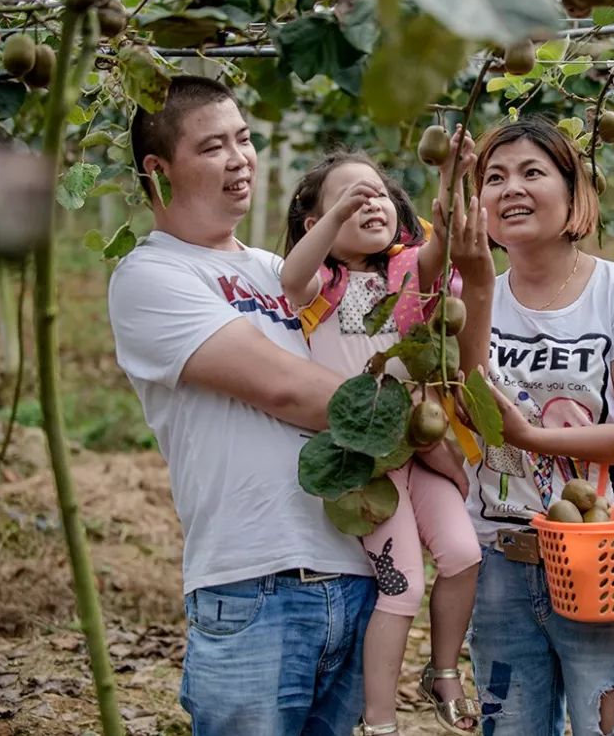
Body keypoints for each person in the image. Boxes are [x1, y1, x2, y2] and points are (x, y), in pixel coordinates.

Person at [107, 75, 483, 736]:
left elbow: (405, 311)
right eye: (213, 147)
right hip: (255, 582)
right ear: (159, 170)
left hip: (354, 567)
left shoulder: (280, 267)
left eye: (244, 139)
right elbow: (289, 389)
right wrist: (427, 434)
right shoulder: (154, 276)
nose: (239, 159)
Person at [460, 117, 614, 736]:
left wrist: (533, 438)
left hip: (607, 561)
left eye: (532, 172)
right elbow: (465, 410)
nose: (511, 189)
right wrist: (473, 283)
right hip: (501, 559)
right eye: (494, 178)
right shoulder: (474, 296)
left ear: (573, 190)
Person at [281, 146, 489, 736]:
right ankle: (380, 721)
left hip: (418, 446)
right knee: (404, 587)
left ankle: (443, 672)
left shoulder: (407, 275)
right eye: (352, 199)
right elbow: (290, 277)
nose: (370, 204)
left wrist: (450, 174)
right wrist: (333, 217)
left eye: (378, 194)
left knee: (464, 555)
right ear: (316, 223)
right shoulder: (322, 283)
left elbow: (443, 241)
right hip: (365, 463)